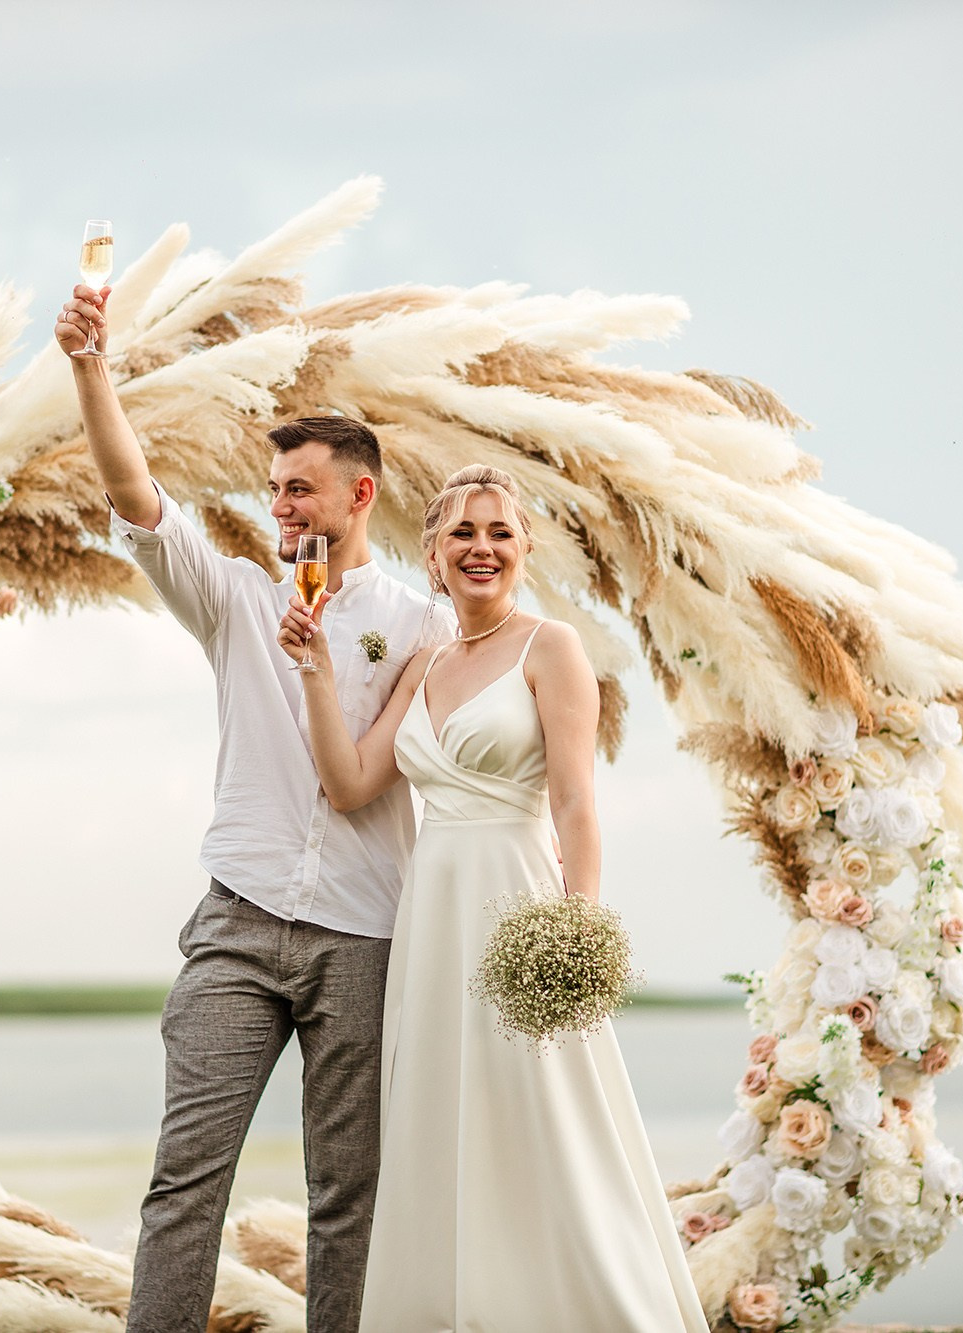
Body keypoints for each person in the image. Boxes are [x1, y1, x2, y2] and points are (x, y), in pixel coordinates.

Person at [55, 284, 455, 1333]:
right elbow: (133, 489)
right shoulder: (233, 596)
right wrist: (91, 372)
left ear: (360, 494)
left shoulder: (423, 624)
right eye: (273, 488)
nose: (278, 505)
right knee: (184, 1177)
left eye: (300, 490)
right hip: (235, 927)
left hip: (363, 937)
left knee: (346, 1199)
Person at [278, 465, 711, 1331]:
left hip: (519, 908)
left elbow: (576, 800)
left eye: (500, 533)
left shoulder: (551, 646)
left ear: (523, 550)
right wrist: (317, 671)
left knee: (546, 1118)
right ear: (433, 555)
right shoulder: (425, 662)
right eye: (463, 534)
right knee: (442, 1122)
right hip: (431, 918)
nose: (483, 548)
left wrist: (576, 932)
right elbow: (354, 781)